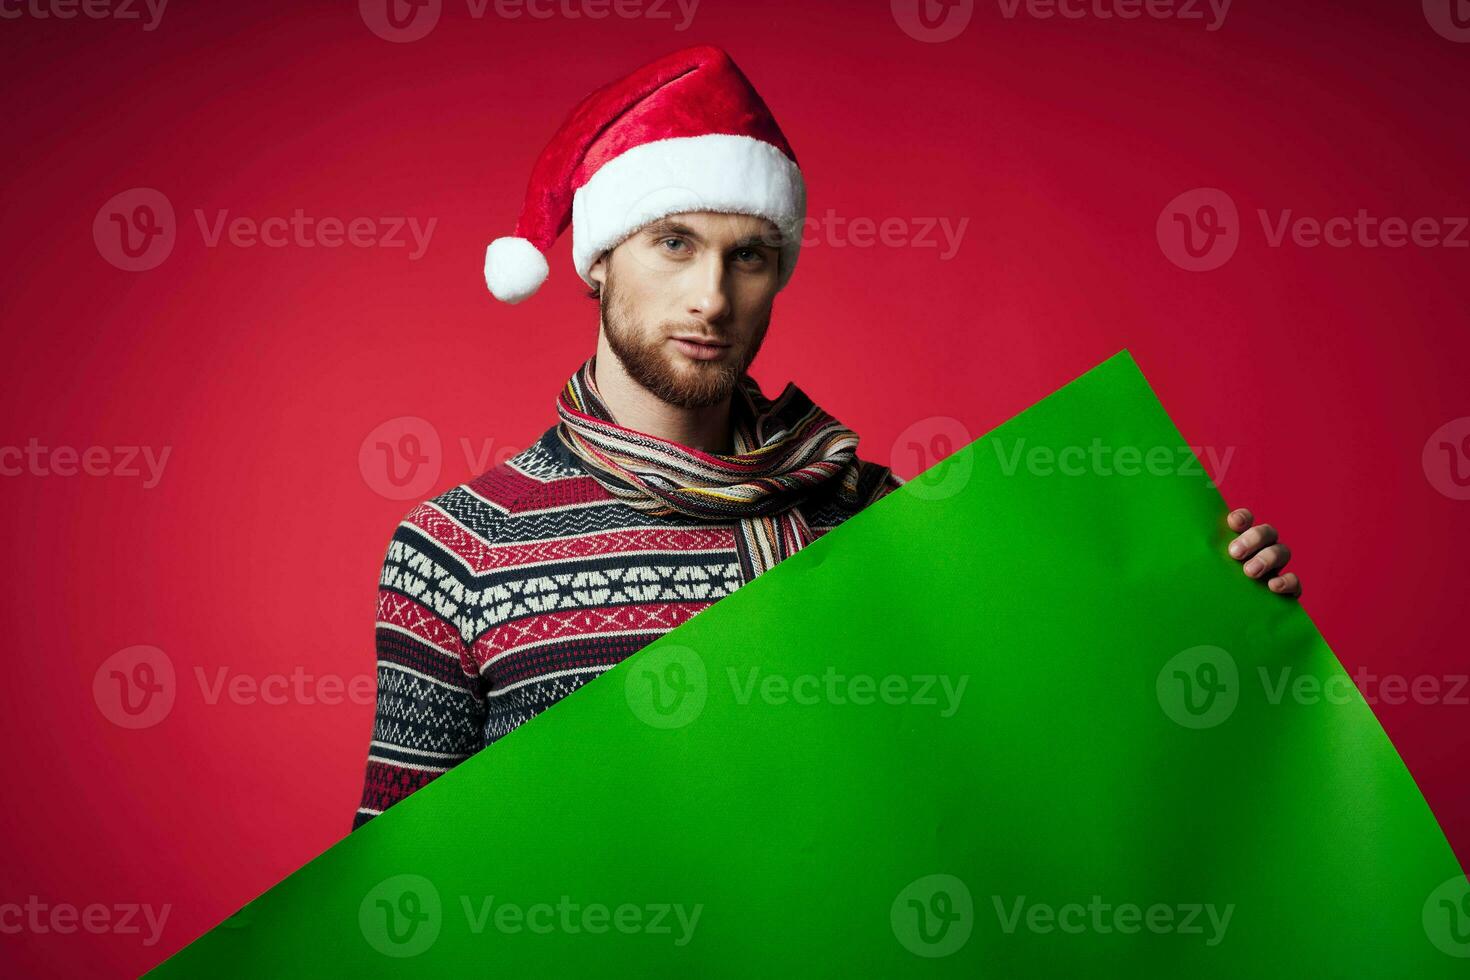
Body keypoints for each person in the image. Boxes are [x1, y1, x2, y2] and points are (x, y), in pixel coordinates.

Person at [352, 44, 1299, 832]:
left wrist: (1208, 609)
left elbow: (1038, 750)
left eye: (749, 256)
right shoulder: (460, 549)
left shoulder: (875, 516)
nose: (711, 298)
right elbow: (393, 898)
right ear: (599, 262)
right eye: (673, 242)